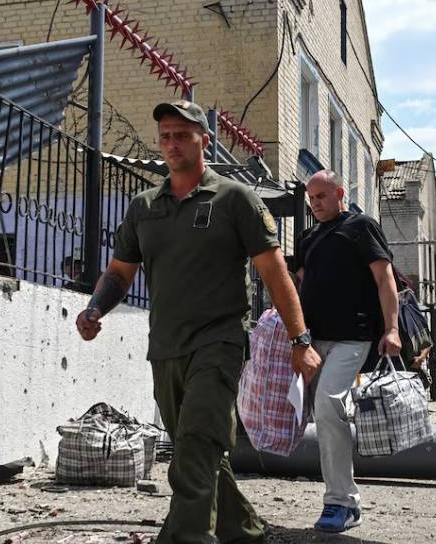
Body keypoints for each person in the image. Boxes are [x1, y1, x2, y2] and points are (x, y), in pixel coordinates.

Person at [75, 100, 321, 544]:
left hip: (220, 342)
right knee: (201, 448)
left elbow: (274, 271)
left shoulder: (234, 199)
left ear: (204, 141)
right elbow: (119, 273)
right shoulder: (144, 206)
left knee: (194, 444)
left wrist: (299, 338)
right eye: (165, 136)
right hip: (166, 348)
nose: (172, 144)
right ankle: (244, 532)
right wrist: (95, 309)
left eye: (182, 135)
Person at [293, 170, 402, 533]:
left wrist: (392, 329)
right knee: (322, 413)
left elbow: (385, 279)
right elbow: (300, 286)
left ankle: (342, 502)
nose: (315, 204)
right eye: (311, 198)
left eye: (321, 196)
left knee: (327, 405)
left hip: (353, 338)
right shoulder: (309, 237)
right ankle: (340, 497)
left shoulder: (360, 227)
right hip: (314, 341)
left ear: (339, 193)